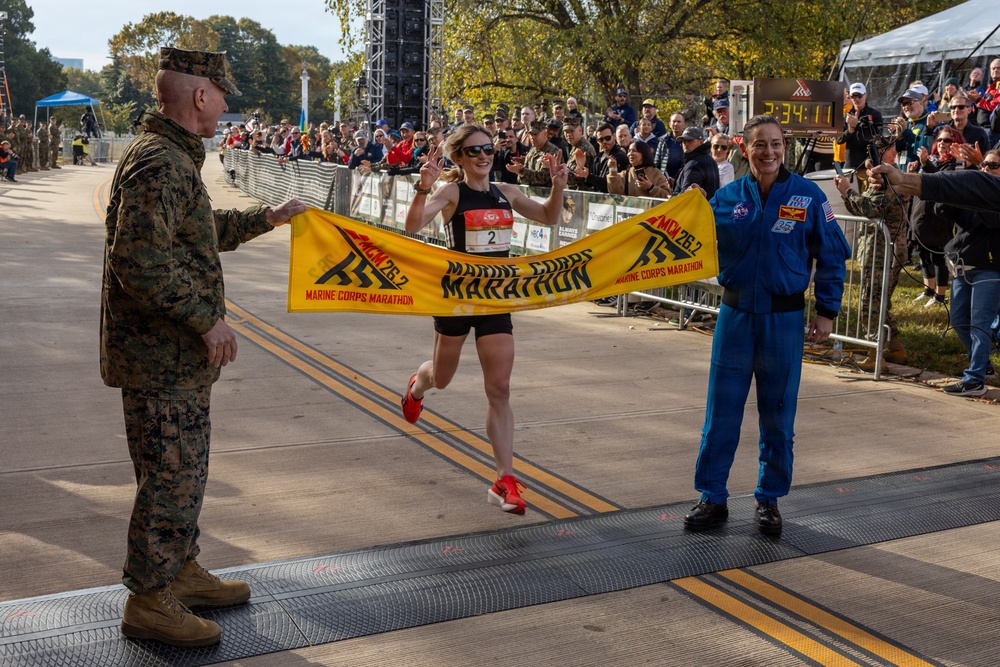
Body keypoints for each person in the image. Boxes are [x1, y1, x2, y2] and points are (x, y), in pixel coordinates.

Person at [102, 46, 306, 648]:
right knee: (169, 474)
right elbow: (137, 261)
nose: (226, 105)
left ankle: (179, 572)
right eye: (221, 95)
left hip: (172, 358)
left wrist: (265, 218)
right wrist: (207, 320)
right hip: (160, 355)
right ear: (199, 96)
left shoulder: (171, 159)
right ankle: (148, 600)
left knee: (184, 469)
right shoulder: (160, 163)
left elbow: (197, 230)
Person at [683, 114, 850, 535]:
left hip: (784, 321)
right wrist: (685, 208)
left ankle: (769, 499)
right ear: (745, 148)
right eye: (760, 144)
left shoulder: (809, 197)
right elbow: (689, 239)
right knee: (721, 414)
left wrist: (827, 312)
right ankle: (712, 497)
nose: (769, 152)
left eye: (776, 144)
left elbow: (832, 257)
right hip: (735, 319)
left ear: (785, 147)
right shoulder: (726, 198)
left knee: (778, 415)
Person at [401, 124, 569, 515]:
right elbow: (412, 226)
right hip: (457, 300)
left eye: (488, 149)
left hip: (495, 298)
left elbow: (547, 216)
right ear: (459, 158)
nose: (483, 156)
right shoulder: (452, 193)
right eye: (474, 151)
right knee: (441, 377)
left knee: (500, 388)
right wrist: (424, 187)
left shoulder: (506, 192)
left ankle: (503, 478)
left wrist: (558, 185)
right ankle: (417, 385)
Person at [833, 141, 909, 372]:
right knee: (881, 300)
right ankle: (894, 347)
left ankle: (874, 355)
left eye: (884, 150)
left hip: (881, 251)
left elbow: (870, 209)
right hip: (882, 249)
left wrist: (847, 190)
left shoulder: (890, 180)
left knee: (871, 302)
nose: (893, 153)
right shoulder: (886, 177)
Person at [937, 151, 1000, 396]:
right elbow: (943, 212)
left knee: (979, 325)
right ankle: (983, 367)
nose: (986, 168)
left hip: (991, 269)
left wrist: (976, 186)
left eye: (993, 165)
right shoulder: (975, 192)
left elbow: (992, 220)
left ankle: (974, 380)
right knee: (959, 321)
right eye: (984, 164)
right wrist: (950, 183)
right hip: (963, 267)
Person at [910, 126, 963, 309]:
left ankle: (940, 296)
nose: (942, 143)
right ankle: (928, 290)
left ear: (955, 142)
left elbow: (943, 181)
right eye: (939, 140)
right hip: (921, 214)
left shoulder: (956, 163)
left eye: (947, 140)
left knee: (937, 257)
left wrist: (925, 164)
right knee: (924, 256)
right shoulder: (932, 159)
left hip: (939, 217)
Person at [838, 82, 883, 190]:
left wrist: (857, 125)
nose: (857, 99)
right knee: (852, 198)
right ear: (850, 97)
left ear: (865, 96)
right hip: (850, 166)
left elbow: (877, 140)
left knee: (867, 200)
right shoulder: (845, 115)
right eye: (853, 96)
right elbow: (839, 139)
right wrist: (850, 130)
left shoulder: (875, 114)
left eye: (859, 96)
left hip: (868, 166)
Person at [674, 126, 720, 199]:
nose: (686, 144)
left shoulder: (694, 164)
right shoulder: (710, 160)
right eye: (684, 141)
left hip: (695, 209)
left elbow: (685, 197)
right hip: (708, 208)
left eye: (690, 141)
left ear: (701, 142)